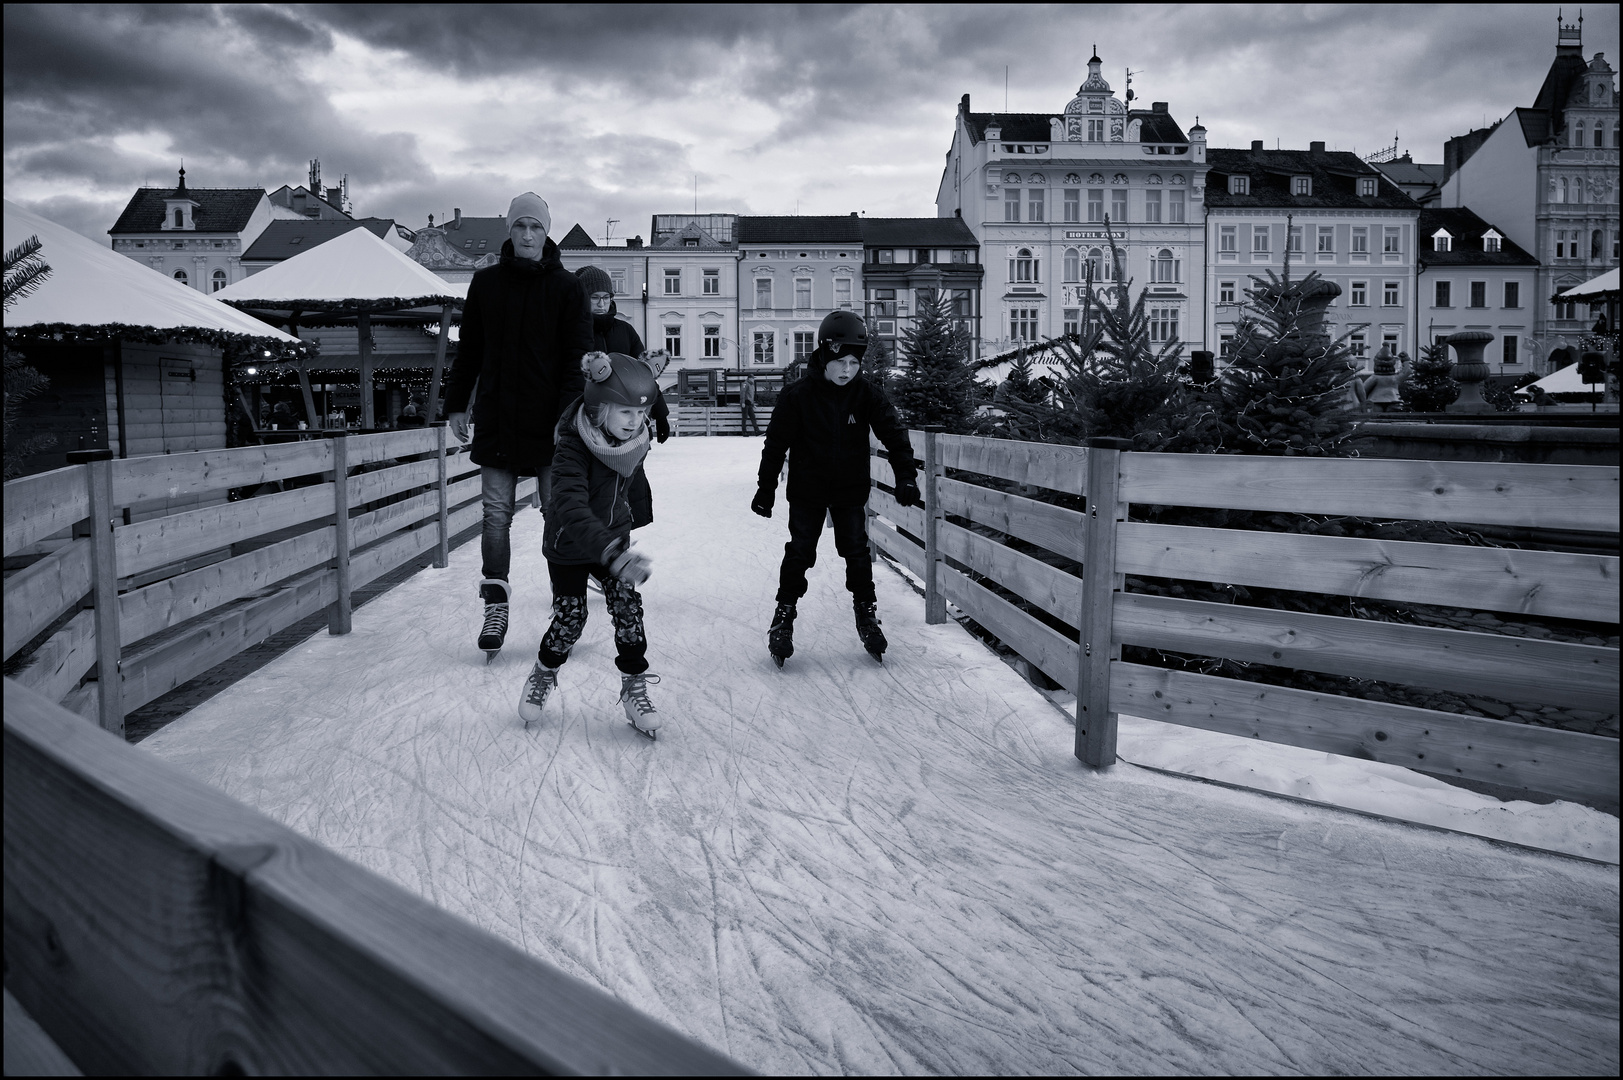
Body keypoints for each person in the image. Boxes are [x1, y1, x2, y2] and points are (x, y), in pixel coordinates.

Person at [444, 192, 592, 658]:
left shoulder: (568, 289)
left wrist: (568, 419)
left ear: (547, 233)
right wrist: (456, 404)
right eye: (520, 226)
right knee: (495, 516)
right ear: (510, 230)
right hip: (498, 417)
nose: (528, 235)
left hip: (551, 424)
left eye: (536, 227)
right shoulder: (486, 284)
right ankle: (495, 602)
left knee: (557, 513)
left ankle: (564, 599)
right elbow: (469, 351)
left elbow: (577, 361)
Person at [751, 310, 919, 667]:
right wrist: (765, 489)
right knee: (799, 552)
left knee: (856, 551)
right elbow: (775, 443)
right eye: (840, 361)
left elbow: (894, 432)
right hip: (808, 489)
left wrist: (906, 475)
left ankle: (866, 614)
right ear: (825, 356)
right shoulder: (798, 395)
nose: (847, 370)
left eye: (854, 362)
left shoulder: (866, 394)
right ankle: (784, 617)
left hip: (848, 489)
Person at [520, 351, 664, 736]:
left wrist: (626, 529)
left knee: (628, 609)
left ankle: (634, 685)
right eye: (625, 413)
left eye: (641, 413)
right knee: (571, 619)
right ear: (600, 408)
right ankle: (543, 672)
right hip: (569, 545)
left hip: (612, 541)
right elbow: (568, 503)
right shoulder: (572, 446)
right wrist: (611, 550)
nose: (635, 423)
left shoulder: (634, 441)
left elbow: (629, 487)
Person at [575, 266, 672, 445]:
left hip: (628, 427)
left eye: (606, 297)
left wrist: (660, 414)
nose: (601, 304)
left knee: (632, 472)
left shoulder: (625, 331)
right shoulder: (573, 332)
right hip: (587, 423)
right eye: (594, 297)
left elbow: (645, 375)